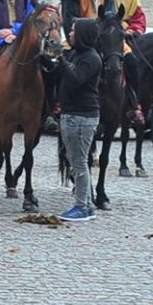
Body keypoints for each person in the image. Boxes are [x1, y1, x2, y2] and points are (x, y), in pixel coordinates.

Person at [56, 18, 103, 221]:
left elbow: (75, 79)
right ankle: (88, 204)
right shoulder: (77, 54)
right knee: (78, 161)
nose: (70, 34)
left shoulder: (91, 58)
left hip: (81, 117)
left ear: (83, 34)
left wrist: (62, 60)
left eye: (74, 31)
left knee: (79, 163)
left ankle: (81, 207)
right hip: (72, 114)